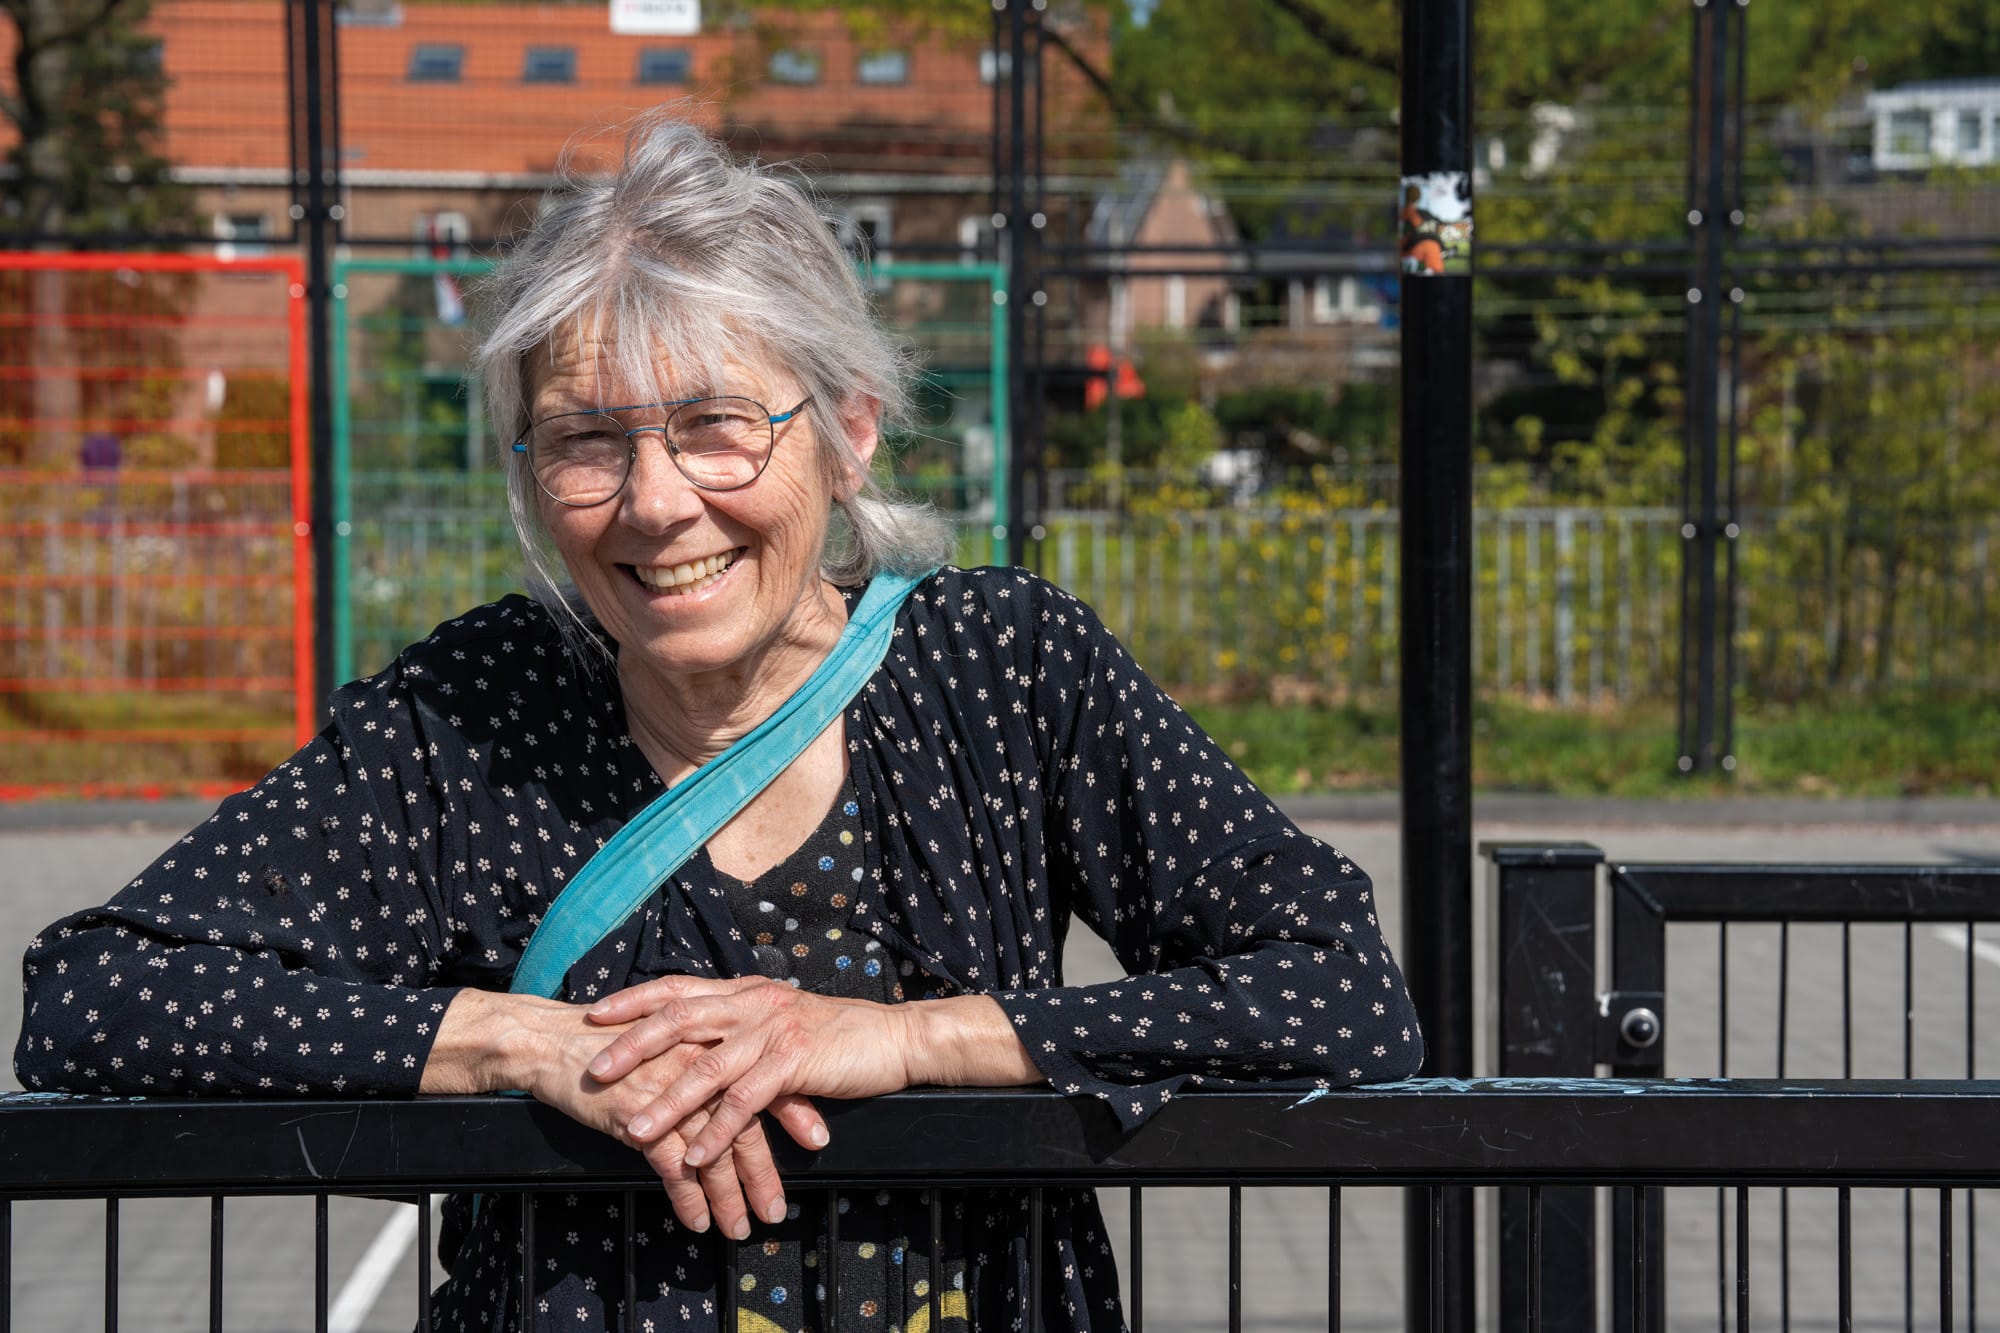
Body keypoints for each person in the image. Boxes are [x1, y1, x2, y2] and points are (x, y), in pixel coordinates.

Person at [16, 112, 1422, 1333]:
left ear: (852, 426)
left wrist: (903, 1038)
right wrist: (524, 1046)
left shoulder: (1004, 670)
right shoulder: (475, 710)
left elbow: (1341, 993)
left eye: (715, 425)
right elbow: (96, 996)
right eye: (586, 438)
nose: (655, 500)